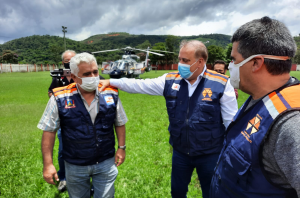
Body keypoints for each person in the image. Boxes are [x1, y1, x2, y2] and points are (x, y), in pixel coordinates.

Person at [99, 40, 238, 198]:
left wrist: (230, 157)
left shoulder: (221, 83)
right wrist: (111, 81)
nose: (180, 64)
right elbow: (140, 85)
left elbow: (231, 123)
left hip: (210, 153)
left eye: (185, 61)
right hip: (180, 152)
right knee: (177, 192)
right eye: (179, 59)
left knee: (212, 192)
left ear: (200, 62)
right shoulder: (170, 80)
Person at [210, 16, 300, 198]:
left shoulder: (291, 125)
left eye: (234, 60)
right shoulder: (260, 97)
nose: (231, 66)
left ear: (256, 63)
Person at [38, 52, 127, 198]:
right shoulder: (60, 97)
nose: (93, 77)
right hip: (75, 164)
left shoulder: (110, 93)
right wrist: (48, 164)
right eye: (86, 74)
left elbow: (120, 122)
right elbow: (49, 130)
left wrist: (121, 148)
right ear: (73, 77)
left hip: (105, 161)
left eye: (95, 72)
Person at [48, 50, 76, 192]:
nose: (70, 63)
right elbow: (50, 93)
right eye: (67, 61)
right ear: (63, 62)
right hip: (64, 121)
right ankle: (64, 178)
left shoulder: (84, 73)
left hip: (82, 120)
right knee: (63, 151)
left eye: (73, 60)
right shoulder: (59, 76)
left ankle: (85, 178)